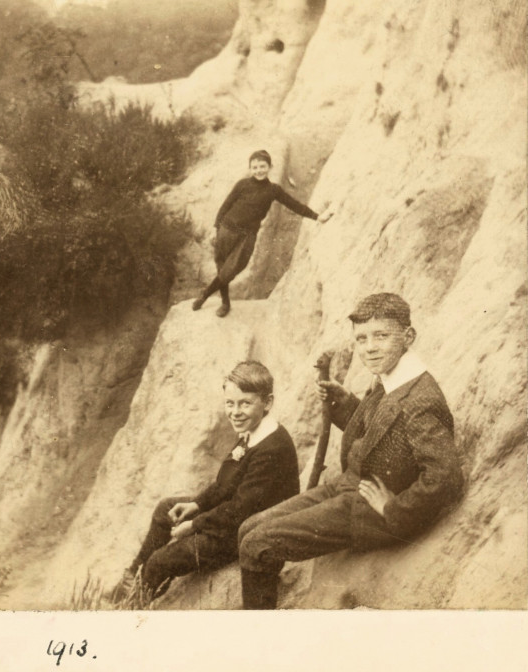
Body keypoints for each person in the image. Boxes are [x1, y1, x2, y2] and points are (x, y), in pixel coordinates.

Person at [237, 293, 464, 609]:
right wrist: (341, 404)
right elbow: (380, 435)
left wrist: (393, 508)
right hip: (348, 485)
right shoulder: (390, 378)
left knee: (256, 544)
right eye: (361, 339)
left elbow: (447, 476)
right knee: (249, 527)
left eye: (381, 336)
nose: (369, 347)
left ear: (407, 336)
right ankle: (265, 603)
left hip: (369, 511)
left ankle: (259, 633)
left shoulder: (420, 399)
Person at [109, 360, 300, 604]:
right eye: (230, 403)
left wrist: (195, 525)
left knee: (161, 560)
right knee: (166, 509)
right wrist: (197, 505)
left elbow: (240, 510)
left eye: (245, 403)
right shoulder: (251, 431)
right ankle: (133, 580)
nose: (235, 411)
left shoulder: (271, 446)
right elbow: (225, 484)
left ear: (267, 403)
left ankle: (134, 603)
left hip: (247, 531)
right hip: (235, 517)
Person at [192, 149, 332, 317]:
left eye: (262, 166)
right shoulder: (242, 184)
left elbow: (294, 205)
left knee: (231, 270)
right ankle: (225, 302)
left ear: (270, 167)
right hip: (226, 230)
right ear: (250, 168)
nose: (259, 170)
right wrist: (216, 229)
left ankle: (205, 294)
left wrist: (318, 217)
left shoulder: (273, 190)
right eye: (255, 167)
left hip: (247, 236)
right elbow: (225, 206)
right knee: (222, 269)